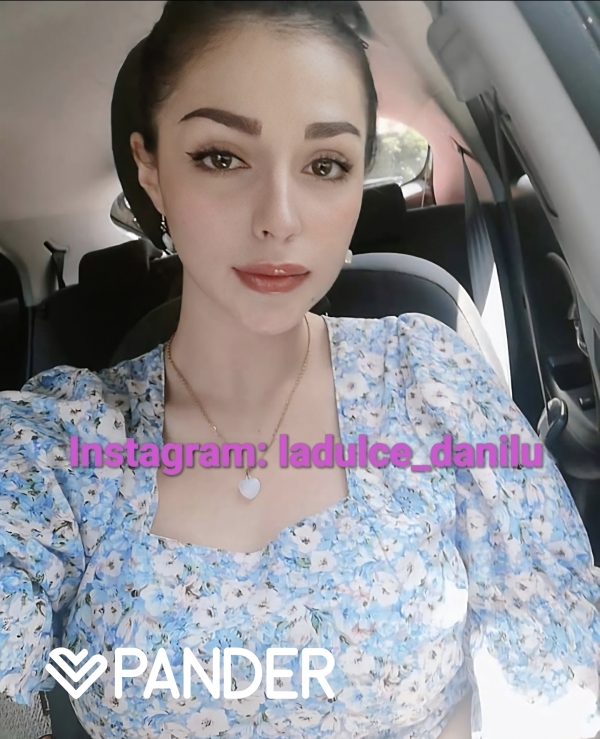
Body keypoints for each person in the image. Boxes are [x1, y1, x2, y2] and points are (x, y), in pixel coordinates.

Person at [0, 2, 599, 738]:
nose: (279, 218)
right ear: (150, 168)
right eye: (222, 157)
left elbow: (553, 677)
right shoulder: (56, 451)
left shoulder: (431, 382)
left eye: (325, 165)